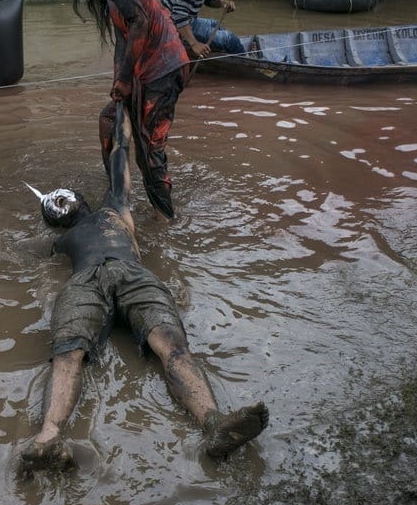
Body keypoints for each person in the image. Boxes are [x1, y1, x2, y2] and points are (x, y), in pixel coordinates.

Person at [19, 105, 270, 473]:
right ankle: (49, 437)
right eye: (53, 206)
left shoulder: (114, 207)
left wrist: (123, 108)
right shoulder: (62, 241)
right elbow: (24, 254)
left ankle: (214, 425)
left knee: (172, 346)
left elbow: (122, 156)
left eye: (62, 197)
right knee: (67, 352)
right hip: (85, 282)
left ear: (81, 199)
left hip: (131, 274)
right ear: (55, 223)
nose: (60, 203)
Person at [61, 0, 189, 221]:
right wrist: (120, 81)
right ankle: (118, 194)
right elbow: (124, 39)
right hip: (146, 75)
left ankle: (164, 220)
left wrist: (126, 77)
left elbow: (140, 22)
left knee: (150, 149)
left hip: (163, 71)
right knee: (109, 120)